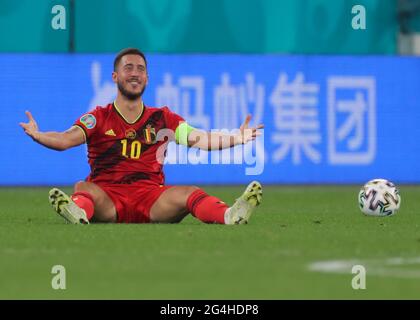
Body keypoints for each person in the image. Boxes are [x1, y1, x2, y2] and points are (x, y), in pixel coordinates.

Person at [19, 48, 263, 225]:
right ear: (115, 77)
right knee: (84, 188)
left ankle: (229, 215)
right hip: (108, 198)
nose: (135, 73)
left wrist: (236, 138)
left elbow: (199, 139)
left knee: (190, 192)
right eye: (128, 68)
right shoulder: (98, 117)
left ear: (146, 78)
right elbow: (64, 139)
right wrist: (38, 135)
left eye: (140, 69)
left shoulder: (163, 118)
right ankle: (79, 214)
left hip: (151, 198)